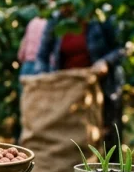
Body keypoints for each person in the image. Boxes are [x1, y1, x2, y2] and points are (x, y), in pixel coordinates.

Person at [37, 9, 124, 145]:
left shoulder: (101, 15)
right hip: (69, 89)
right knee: (72, 135)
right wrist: (44, 79)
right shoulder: (56, 19)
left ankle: (108, 164)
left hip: (101, 86)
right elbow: (42, 55)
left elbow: (121, 48)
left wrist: (106, 62)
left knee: (107, 134)